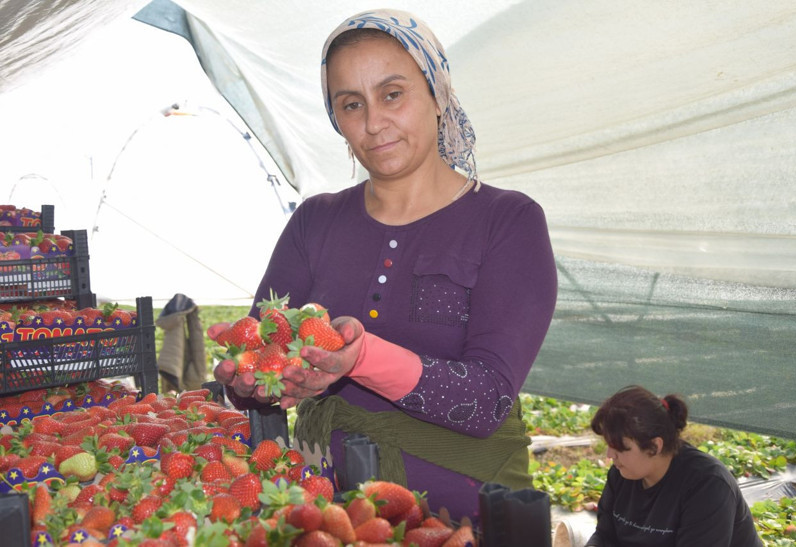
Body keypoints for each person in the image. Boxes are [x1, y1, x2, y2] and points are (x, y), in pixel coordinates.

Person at [213, 8, 557, 524]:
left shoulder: (507, 221)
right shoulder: (316, 220)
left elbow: (486, 400)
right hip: (327, 517)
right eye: (351, 105)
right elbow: (259, 354)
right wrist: (253, 382)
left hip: (462, 521)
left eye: (392, 94)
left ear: (438, 93)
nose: (374, 124)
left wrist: (358, 359)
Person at [584, 385, 763, 546]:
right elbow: (605, 536)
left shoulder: (708, 486)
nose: (610, 455)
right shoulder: (623, 473)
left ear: (655, 446)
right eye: (609, 445)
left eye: (621, 448)